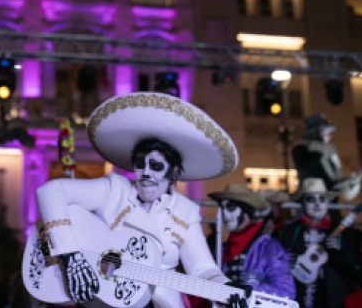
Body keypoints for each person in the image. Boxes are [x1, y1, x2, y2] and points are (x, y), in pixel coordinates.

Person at [34, 92, 243, 308]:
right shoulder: (115, 189)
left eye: (156, 166)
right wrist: (71, 257)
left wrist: (227, 289)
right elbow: (50, 192)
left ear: (174, 172)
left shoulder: (185, 211)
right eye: (140, 164)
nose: (145, 173)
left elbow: (202, 269)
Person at [273, 178, 358, 308]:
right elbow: (272, 265)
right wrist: (285, 263)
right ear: (302, 203)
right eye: (311, 199)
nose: (317, 204)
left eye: (322, 199)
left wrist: (338, 254)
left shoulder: (343, 234)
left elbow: (355, 273)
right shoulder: (286, 233)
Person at [208, 184, 295, 300]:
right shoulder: (223, 249)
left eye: (230, 207)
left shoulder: (269, 248)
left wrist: (249, 290)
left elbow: (285, 293)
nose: (224, 214)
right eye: (221, 207)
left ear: (246, 210)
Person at [293, 114, 362, 201]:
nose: (329, 137)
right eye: (326, 133)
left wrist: (351, 182)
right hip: (312, 201)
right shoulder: (301, 150)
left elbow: (334, 179)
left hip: (330, 202)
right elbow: (308, 172)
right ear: (316, 133)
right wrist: (320, 148)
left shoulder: (329, 152)